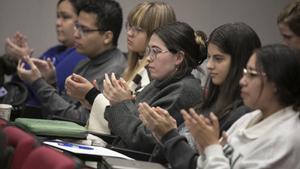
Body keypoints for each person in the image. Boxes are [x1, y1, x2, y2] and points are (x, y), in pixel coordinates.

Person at [139, 22, 262, 168]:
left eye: (218, 58)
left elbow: (196, 163)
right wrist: (166, 134)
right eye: (209, 57)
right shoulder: (210, 102)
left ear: (240, 61)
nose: (209, 65)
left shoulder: (242, 115)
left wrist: (169, 135)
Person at [64, 1, 176, 134]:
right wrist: (90, 103)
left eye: (138, 29)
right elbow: (117, 116)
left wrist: (92, 96)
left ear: (157, 35)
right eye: (129, 26)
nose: (129, 33)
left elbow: (133, 125)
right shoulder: (132, 68)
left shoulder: (153, 74)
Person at [182, 44, 300, 169]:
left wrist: (212, 147)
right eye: (245, 72)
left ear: (277, 82)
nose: (242, 81)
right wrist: (205, 147)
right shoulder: (249, 119)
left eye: (252, 74)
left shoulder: (286, 137)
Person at [102, 22, 207, 154]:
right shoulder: (161, 82)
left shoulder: (185, 90)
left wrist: (122, 103)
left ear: (178, 57)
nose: (149, 59)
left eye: (156, 51)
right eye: (149, 51)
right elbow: (124, 128)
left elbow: (145, 141)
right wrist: (124, 101)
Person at [17, 0, 126, 125]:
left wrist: (38, 82)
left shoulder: (113, 73)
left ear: (107, 37)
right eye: (77, 27)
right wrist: (51, 82)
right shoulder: (85, 63)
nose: (76, 34)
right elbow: (60, 114)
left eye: (84, 30)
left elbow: (80, 121)